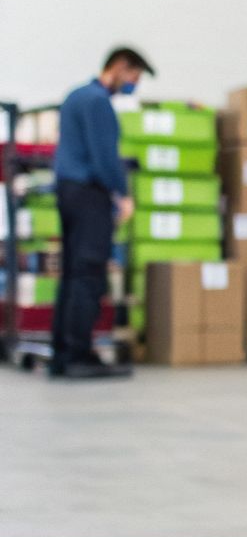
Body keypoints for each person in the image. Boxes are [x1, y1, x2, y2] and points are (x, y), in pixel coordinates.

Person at [49, 46, 152, 378]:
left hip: (67, 191)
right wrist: (122, 194)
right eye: (134, 76)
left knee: (71, 273)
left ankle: (63, 354)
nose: (133, 83)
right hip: (89, 195)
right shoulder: (97, 102)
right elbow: (105, 157)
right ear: (120, 67)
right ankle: (80, 356)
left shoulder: (74, 96)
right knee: (89, 274)